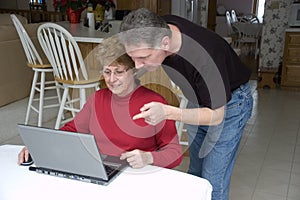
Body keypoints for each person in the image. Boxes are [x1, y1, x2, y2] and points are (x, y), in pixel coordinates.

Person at [119, 8, 253, 200]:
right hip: (197, 97)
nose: (138, 65)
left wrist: (167, 112)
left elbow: (216, 116)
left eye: (143, 58)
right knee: (196, 172)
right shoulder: (158, 28)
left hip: (230, 105)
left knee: (213, 181)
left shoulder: (205, 58)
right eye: (134, 58)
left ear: (165, 44)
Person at [18, 35, 183, 169]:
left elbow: (174, 153)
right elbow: (73, 129)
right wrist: (39, 145)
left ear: (134, 71)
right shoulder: (97, 99)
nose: (111, 79)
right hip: (99, 171)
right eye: (107, 72)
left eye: (118, 72)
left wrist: (148, 158)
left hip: (135, 175)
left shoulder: (155, 103)